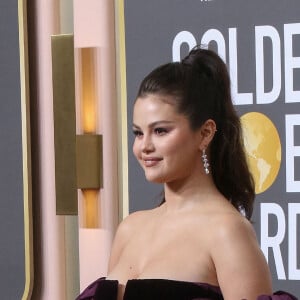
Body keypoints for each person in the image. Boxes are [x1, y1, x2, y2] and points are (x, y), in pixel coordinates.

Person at [77, 47, 297, 300]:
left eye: (160, 131)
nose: (144, 146)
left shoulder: (227, 232)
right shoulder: (130, 228)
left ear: (205, 133)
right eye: (138, 133)